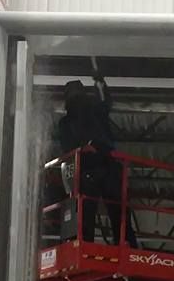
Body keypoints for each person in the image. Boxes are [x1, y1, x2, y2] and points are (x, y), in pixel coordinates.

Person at [54, 76, 137, 246]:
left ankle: (85, 243)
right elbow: (106, 102)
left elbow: (67, 148)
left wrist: (101, 85)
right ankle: (126, 243)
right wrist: (101, 84)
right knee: (116, 210)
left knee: (87, 210)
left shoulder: (68, 122)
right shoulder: (95, 112)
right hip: (105, 166)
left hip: (89, 170)